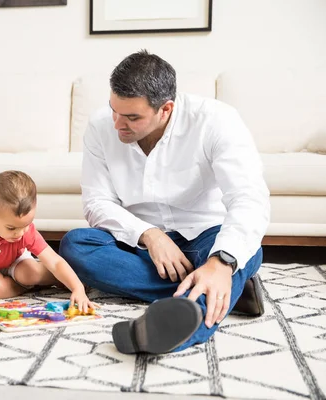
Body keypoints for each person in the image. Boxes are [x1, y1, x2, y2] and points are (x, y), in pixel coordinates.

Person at [59, 50, 270, 354]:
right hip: (141, 249)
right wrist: (150, 235)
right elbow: (97, 202)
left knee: (241, 250)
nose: (118, 124)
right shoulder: (101, 125)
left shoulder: (216, 120)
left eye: (132, 117)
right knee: (76, 246)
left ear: (165, 109)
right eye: (114, 110)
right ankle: (227, 289)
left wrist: (220, 262)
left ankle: (166, 328)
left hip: (204, 238)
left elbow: (249, 198)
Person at [0, 170, 97, 313]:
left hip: (15, 261)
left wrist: (77, 288)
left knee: (31, 273)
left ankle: (56, 280)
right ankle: (27, 287)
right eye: (11, 228)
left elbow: (54, 261)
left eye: (26, 225)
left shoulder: (24, 230)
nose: (20, 233)